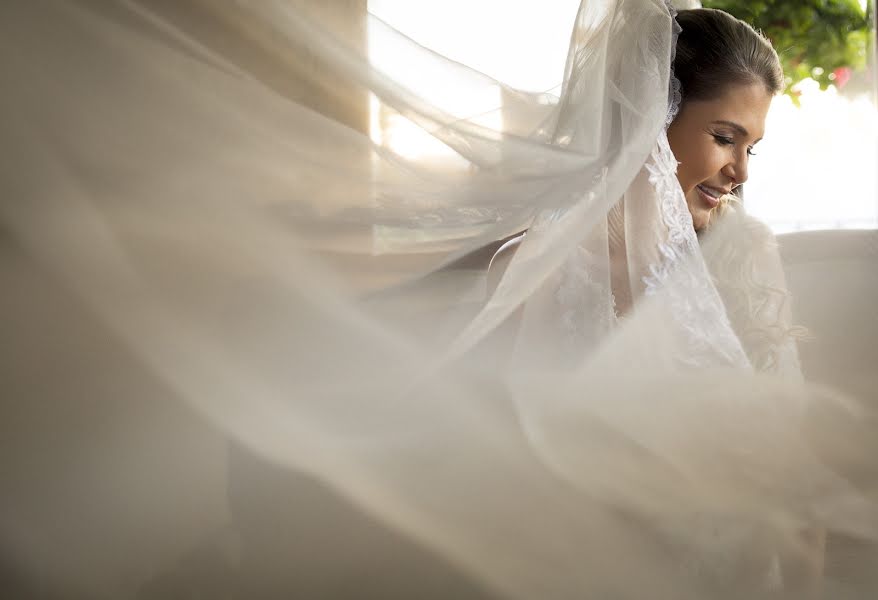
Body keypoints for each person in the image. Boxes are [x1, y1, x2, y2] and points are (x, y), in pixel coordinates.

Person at [1, 1, 874, 598]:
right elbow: (472, 366)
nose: (740, 171)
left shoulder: (740, 251)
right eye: (726, 137)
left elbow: (771, 420)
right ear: (654, 113)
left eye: (753, 145)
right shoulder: (540, 241)